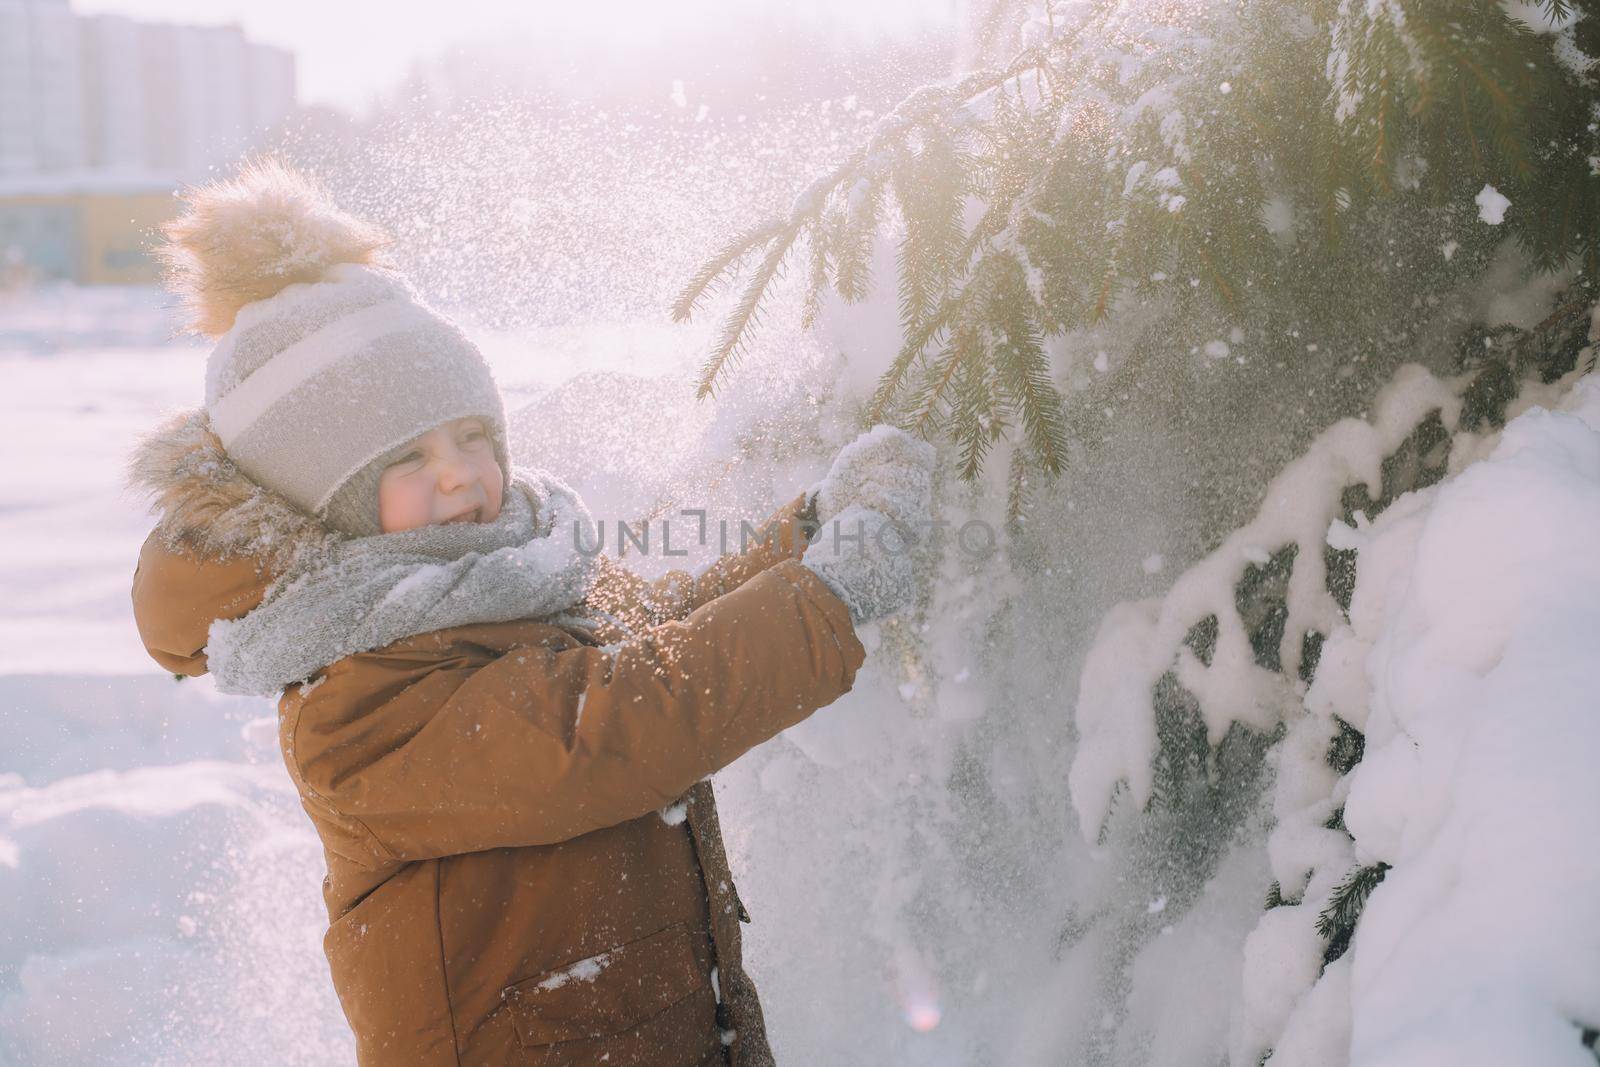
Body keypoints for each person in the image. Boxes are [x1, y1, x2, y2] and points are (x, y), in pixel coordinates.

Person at [124, 157, 936, 1067]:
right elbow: (609, 721)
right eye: (412, 458)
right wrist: (824, 597)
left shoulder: (511, 578)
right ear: (329, 500)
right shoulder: (357, 708)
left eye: (475, 437)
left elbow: (656, 633)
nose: (463, 473)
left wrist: (806, 537)